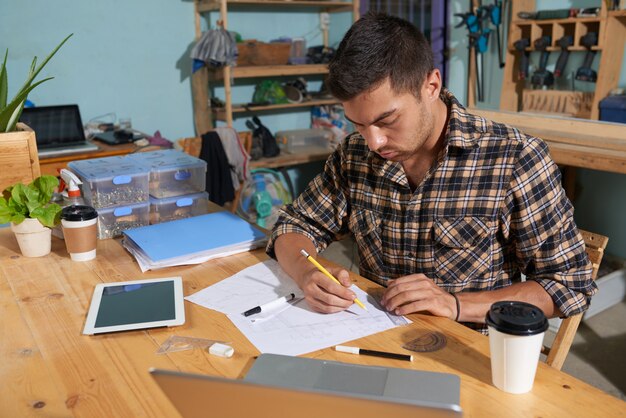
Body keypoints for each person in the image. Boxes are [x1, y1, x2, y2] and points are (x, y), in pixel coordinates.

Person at [265, 12, 595, 334]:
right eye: (359, 124)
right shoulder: (354, 154)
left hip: (468, 353)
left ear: (431, 85)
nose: (374, 141)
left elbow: (568, 284)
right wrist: (306, 271)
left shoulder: (514, 158)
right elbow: (295, 225)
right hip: (374, 338)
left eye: (387, 120)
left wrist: (455, 304)